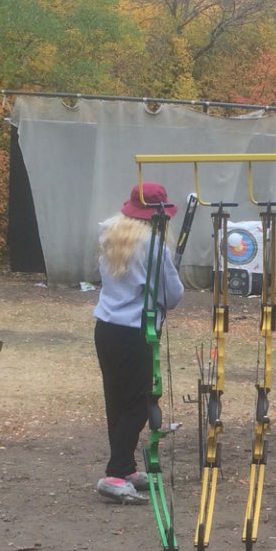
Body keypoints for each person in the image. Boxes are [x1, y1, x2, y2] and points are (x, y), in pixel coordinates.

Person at [93, 182, 184, 503]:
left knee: (117, 400)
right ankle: (116, 473)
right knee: (140, 403)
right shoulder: (154, 247)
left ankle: (127, 467)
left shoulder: (110, 235)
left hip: (106, 329)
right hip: (136, 332)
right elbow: (172, 296)